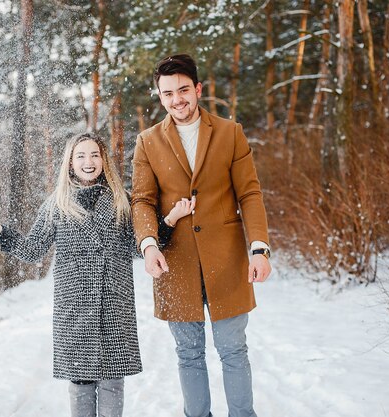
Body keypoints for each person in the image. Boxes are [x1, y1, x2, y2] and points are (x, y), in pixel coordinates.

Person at [0, 132, 194, 417]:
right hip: (74, 308)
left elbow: (140, 246)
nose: (88, 161)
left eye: (94, 155)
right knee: (81, 383)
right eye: (81, 156)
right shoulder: (57, 203)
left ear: (103, 161)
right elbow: (31, 250)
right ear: (70, 163)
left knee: (113, 381)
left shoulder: (121, 200)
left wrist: (171, 218)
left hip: (114, 302)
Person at [131, 54, 272, 417]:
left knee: (233, 351)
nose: (176, 99)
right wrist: (148, 245)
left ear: (197, 89)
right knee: (189, 353)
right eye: (167, 93)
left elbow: (250, 194)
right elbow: (142, 201)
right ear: (159, 97)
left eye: (182, 90)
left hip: (227, 261)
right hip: (174, 262)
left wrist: (259, 248)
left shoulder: (230, 132)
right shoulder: (147, 142)